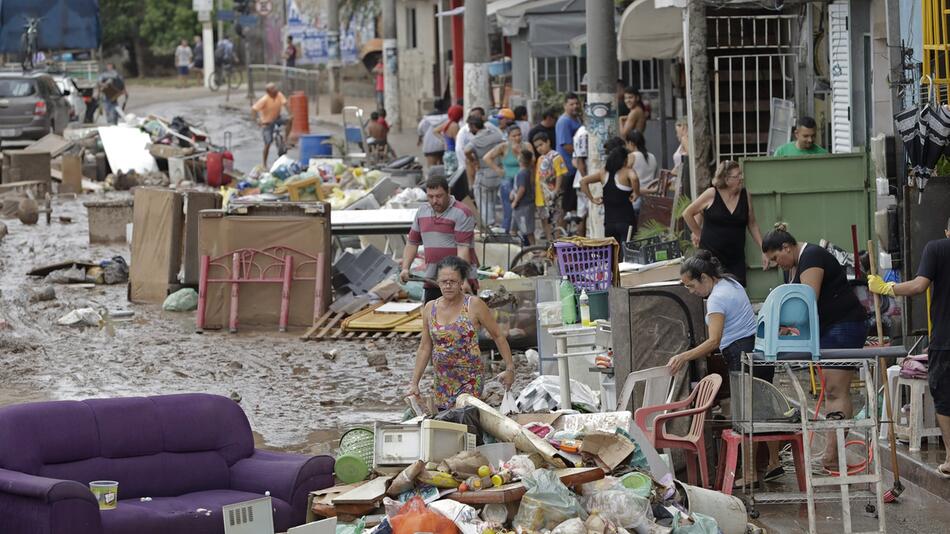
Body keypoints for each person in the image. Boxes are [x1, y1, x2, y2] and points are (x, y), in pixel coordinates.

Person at [667, 251, 784, 484]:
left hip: (740, 354)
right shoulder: (732, 282)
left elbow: (713, 341)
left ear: (704, 277)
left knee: (746, 416)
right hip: (759, 350)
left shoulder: (716, 299)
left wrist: (683, 357)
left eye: (691, 286)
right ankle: (774, 462)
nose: (691, 292)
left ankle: (749, 475)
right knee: (765, 409)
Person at [761, 223, 867, 471]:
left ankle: (833, 454)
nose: (778, 264)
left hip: (844, 325)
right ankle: (831, 452)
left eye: (777, 258)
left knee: (834, 391)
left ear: (787, 247)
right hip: (830, 328)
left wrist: (784, 328)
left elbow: (806, 303)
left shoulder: (812, 257)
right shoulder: (797, 262)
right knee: (830, 391)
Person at [868, 218, 950, 477]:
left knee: (945, 398)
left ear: (947, 230)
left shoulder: (937, 249)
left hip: (946, 340)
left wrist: (886, 288)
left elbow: (918, 286)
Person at [410, 256, 515, 411]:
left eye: (452, 281)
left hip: (470, 379)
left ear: (461, 282)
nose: (447, 286)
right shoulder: (430, 308)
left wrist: (510, 368)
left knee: (466, 419)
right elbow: (425, 347)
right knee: (447, 424)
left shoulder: (474, 305)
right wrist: (414, 383)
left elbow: (498, 336)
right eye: (443, 281)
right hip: (443, 381)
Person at [682, 160, 768, 286]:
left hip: (736, 258)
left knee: (736, 292)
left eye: (741, 174)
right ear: (726, 179)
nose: (741, 178)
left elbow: (752, 224)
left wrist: (763, 249)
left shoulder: (745, 195)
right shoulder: (712, 194)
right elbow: (687, 213)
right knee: (713, 294)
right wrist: (699, 233)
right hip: (711, 257)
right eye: (737, 176)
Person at [400, 176, 478, 303]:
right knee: (432, 320)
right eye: (430, 197)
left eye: (439, 196)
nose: (435, 200)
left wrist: (463, 280)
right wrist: (405, 268)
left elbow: (463, 249)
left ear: (448, 192)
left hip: (456, 282)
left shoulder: (462, 213)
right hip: (432, 280)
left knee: (461, 321)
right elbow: (412, 243)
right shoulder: (422, 211)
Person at [581, 137, 638, 245]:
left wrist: (592, 199)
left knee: (613, 255)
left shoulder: (603, 173)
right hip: (626, 221)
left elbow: (583, 182)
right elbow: (634, 178)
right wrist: (636, 193)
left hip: (609, 223)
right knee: (628, 254)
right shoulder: (626, 171)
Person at [484, 124, 529, 234]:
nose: (517, 138)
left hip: (522, 181)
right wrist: (498, 170)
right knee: (508, 210)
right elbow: (487, 158)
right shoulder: (503, 147)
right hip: (508, 181)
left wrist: (519, 152)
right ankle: (506, 233)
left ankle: (523, 235)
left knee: (522, 210)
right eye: (514, 136)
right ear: (508, 137)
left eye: (519, 135)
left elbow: (531, 162)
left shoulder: (527, 146)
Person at [465, 116, 505, 229]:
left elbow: (466, 150)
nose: (469, 130)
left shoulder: (476, 139)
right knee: (493, 201)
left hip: (484, 173)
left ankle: (490, 227)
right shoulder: (496, 134)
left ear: (474, 126)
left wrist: (473, 160)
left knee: (483, 202)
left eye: (470, 127)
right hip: (499, 172)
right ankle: (497, 226)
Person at [531, 131, 569, 242]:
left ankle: (556, 244)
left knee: (555, 221)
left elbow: (560, 174)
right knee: (545, 221)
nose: (539, 148)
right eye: (537, 147)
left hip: (552, 195)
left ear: (548, 142)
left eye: (541, 145)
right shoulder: (540, 158)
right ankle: (549, 245)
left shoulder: (556, 157)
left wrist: (556, 190)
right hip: (541, 196)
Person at [556, 93, 582, 217]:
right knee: (566, 205)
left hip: (575, 168)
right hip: (567, 168)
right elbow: (566, 145)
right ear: (565, 105)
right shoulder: (564, 121)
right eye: (571, 104)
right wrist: (582, 155)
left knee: (573, 205)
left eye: (576, 103)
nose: (575, 106)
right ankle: (560, 233)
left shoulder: (577, 118)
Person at [251, 83, 290, 166]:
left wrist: (290, 114)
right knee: (268, 143)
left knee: (289, 121)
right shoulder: (264, 100)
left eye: (275, 87)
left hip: (277, 119)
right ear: (268, 92)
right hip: (267, 123)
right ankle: (264, 163)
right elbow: (254, 109)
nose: (275, 89)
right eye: (273, 88)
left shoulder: (279, 95)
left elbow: (285, 104)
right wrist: (257, 120)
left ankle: (286, 140)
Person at [624, 129, 658, 221]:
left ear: (631, 143)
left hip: (635, 199)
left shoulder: (631, 156)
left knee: (634, 231)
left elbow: (625, 177)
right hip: (650, 199)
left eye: (627, 143)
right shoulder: (652, 157)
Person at [511, 150, 536, 245]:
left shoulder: (522, 173)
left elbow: (522, 189)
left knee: (528, 230)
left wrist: (515, 201)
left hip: (523, 205)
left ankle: (533, 248)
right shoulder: (526, 172)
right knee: (515, 228)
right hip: (522, 206)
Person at [571, 120, 589, 236]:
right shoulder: (584, 133)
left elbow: (575, 160)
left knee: (582, 214)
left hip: (582, 181)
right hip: (584, 182)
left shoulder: (581, 132)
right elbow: (579, 160)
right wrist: (586, 182)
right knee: (583, 215)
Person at [436, 104, 464, 174]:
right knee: (455, 176)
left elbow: (435, 131)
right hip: (453, 154)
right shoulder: (455, 125)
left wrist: (443, 140)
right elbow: (457, 142)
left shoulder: (447, 123)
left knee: (448, 175)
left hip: (447, 153)